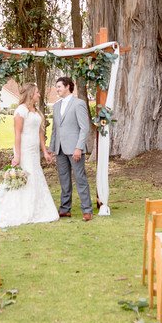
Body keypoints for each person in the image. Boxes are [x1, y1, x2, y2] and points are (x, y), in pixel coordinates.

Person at [0, 81, 60, 229]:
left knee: (35, 176)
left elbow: (40, 133)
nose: (39, 95)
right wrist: (17, 155)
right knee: (26, 177)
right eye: (37, 93)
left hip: (34, 151)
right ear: (30, 94)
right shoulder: (20, 111)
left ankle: (35, 207)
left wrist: (45, 151)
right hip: (24, 149)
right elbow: (17, 134)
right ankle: (19, 208)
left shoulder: (36, 111)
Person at [48, 75, 93, 221]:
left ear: (67, 86)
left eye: (59, 86)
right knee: (64, 180)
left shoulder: (78, 103)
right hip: (60, 149)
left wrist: (79, 147)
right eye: (57, 87)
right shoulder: (56, 106)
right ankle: (65, 209)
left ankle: (87, 210)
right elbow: (55, 129)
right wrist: (52, 148)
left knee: (80, 179)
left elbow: (84, 128)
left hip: (75, 149)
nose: (57, 89)